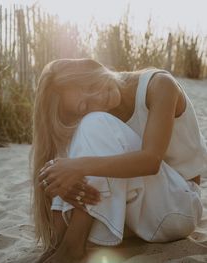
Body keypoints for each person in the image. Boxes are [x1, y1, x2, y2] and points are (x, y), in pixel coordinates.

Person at [31, 58, 207, 263]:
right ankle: (58, 244)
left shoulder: (159, 85)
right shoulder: (101, 116)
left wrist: (77, 167)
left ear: (95, 68)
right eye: (84, 105)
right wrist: (63, 183)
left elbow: (151, 161)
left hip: (179, 206)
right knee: (83, 134)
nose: (97, 98)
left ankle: (72, 246)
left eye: (90, 85)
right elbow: (66, 162)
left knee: (92, 124)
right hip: (138, 215)